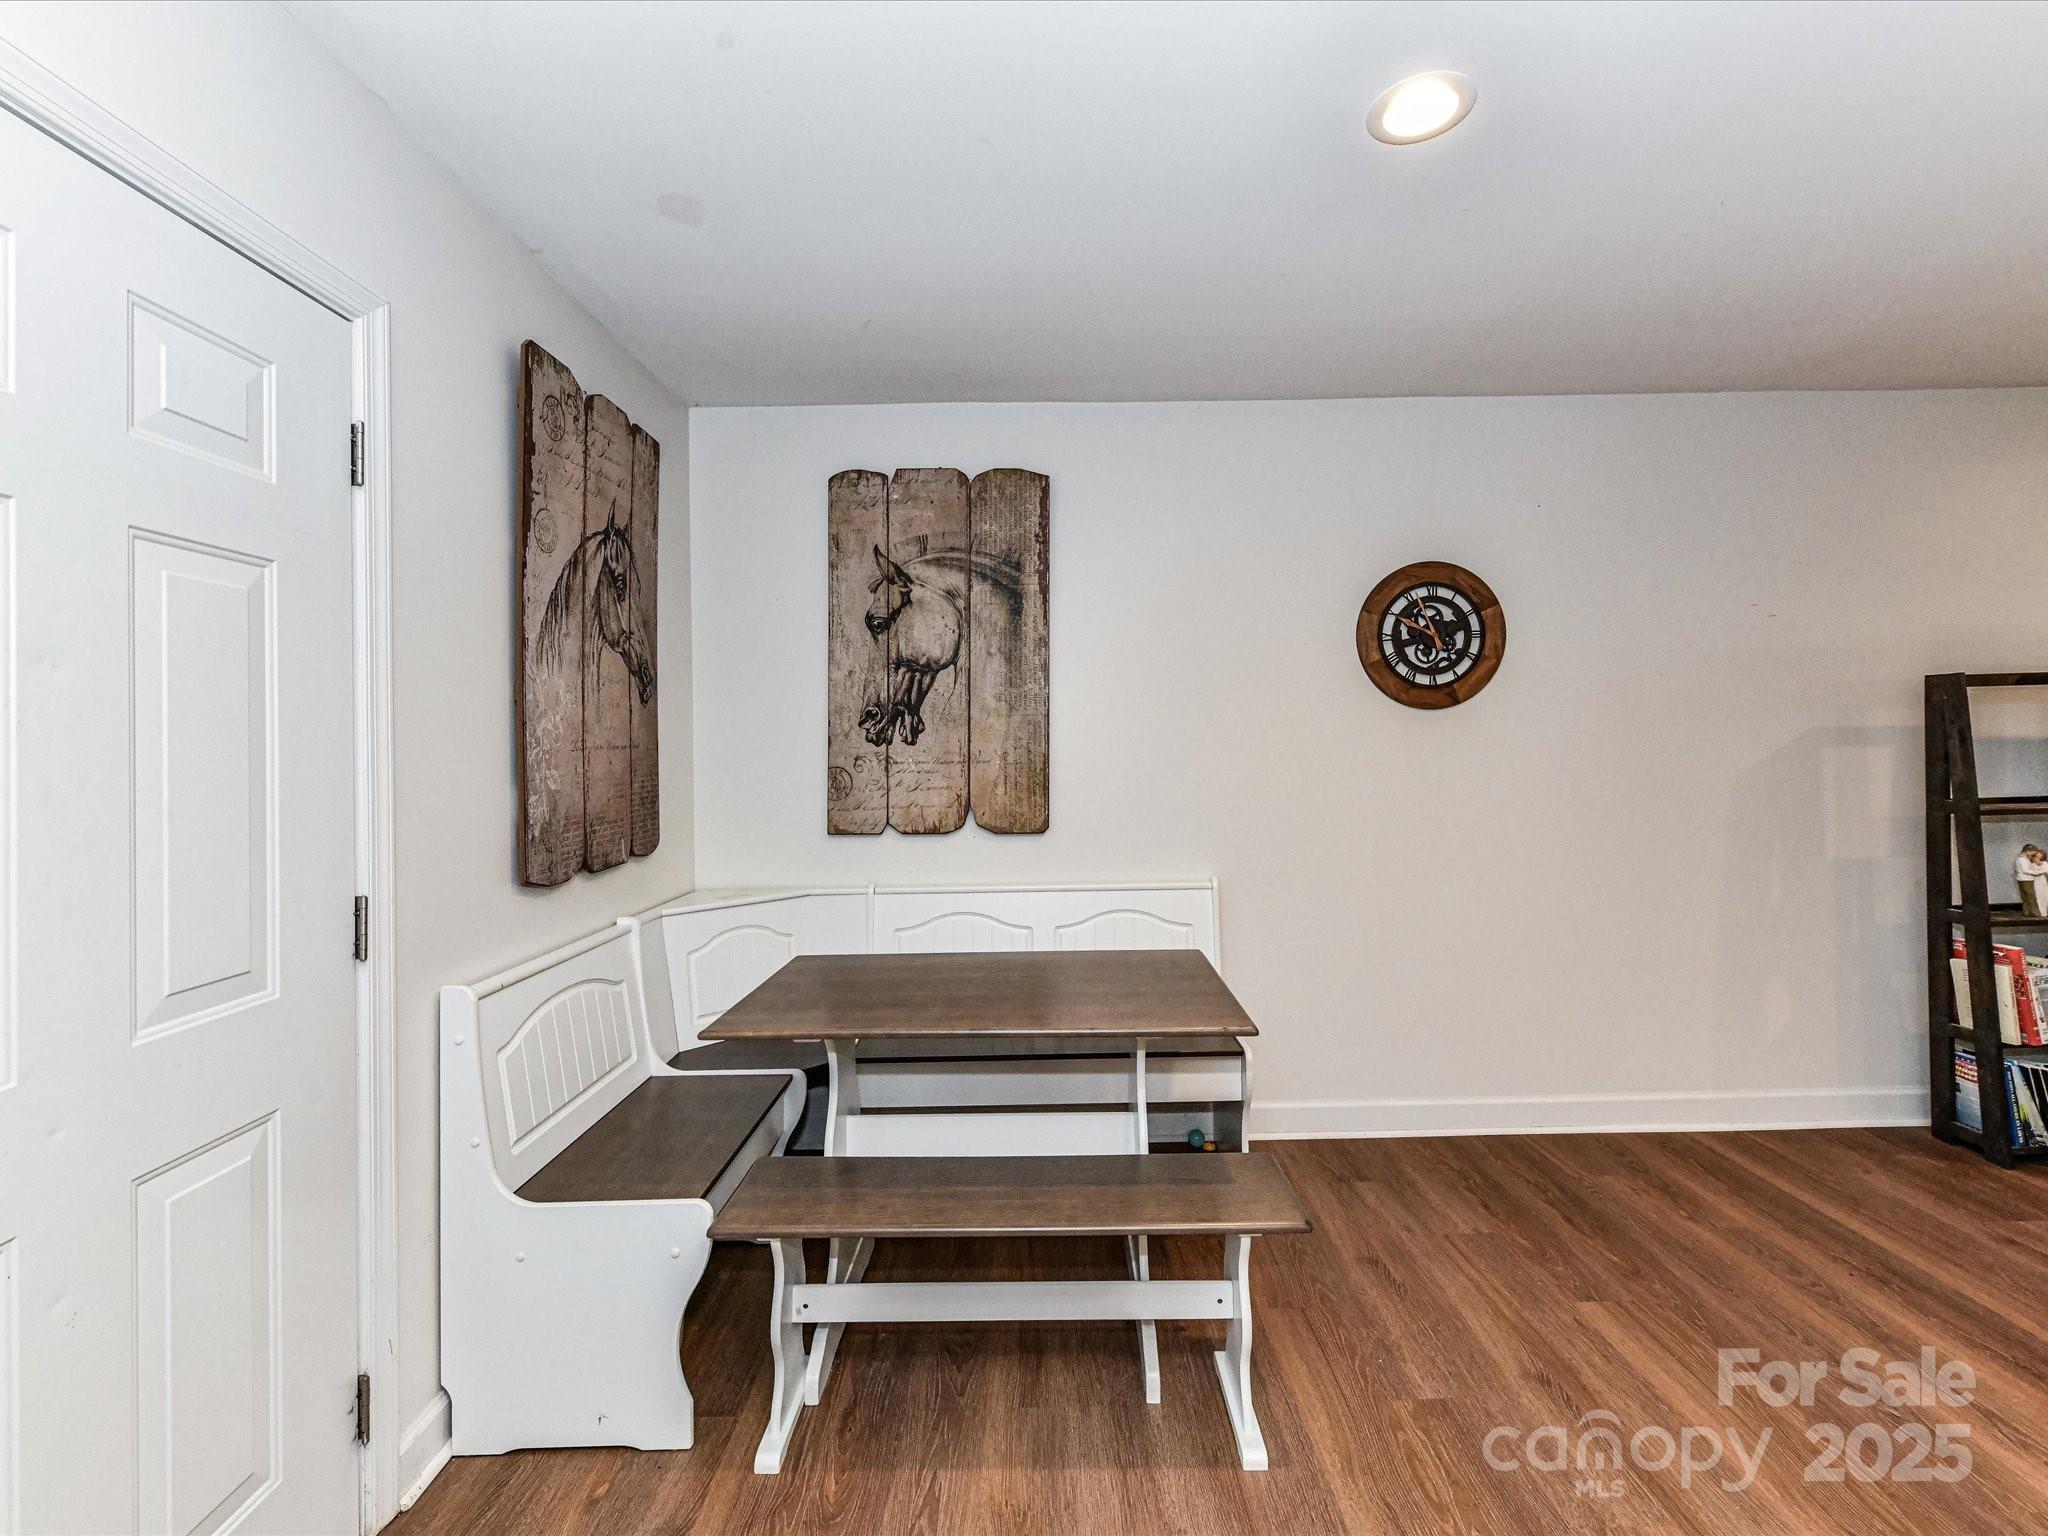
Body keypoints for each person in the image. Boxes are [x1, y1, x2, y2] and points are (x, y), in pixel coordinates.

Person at [2017, 844, 2048, 916]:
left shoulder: (2045, 864)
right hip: (2035, 882)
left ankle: (2043, 912)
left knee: (2043, 896)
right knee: (2035, 896)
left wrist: (2039, 870)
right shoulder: (2031, 863)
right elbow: (2028, 870)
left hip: (2042, 883)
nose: (2035, 859)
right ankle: (2037, 911)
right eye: (2035, 857)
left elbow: (2045, 871)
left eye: (2038, 858)